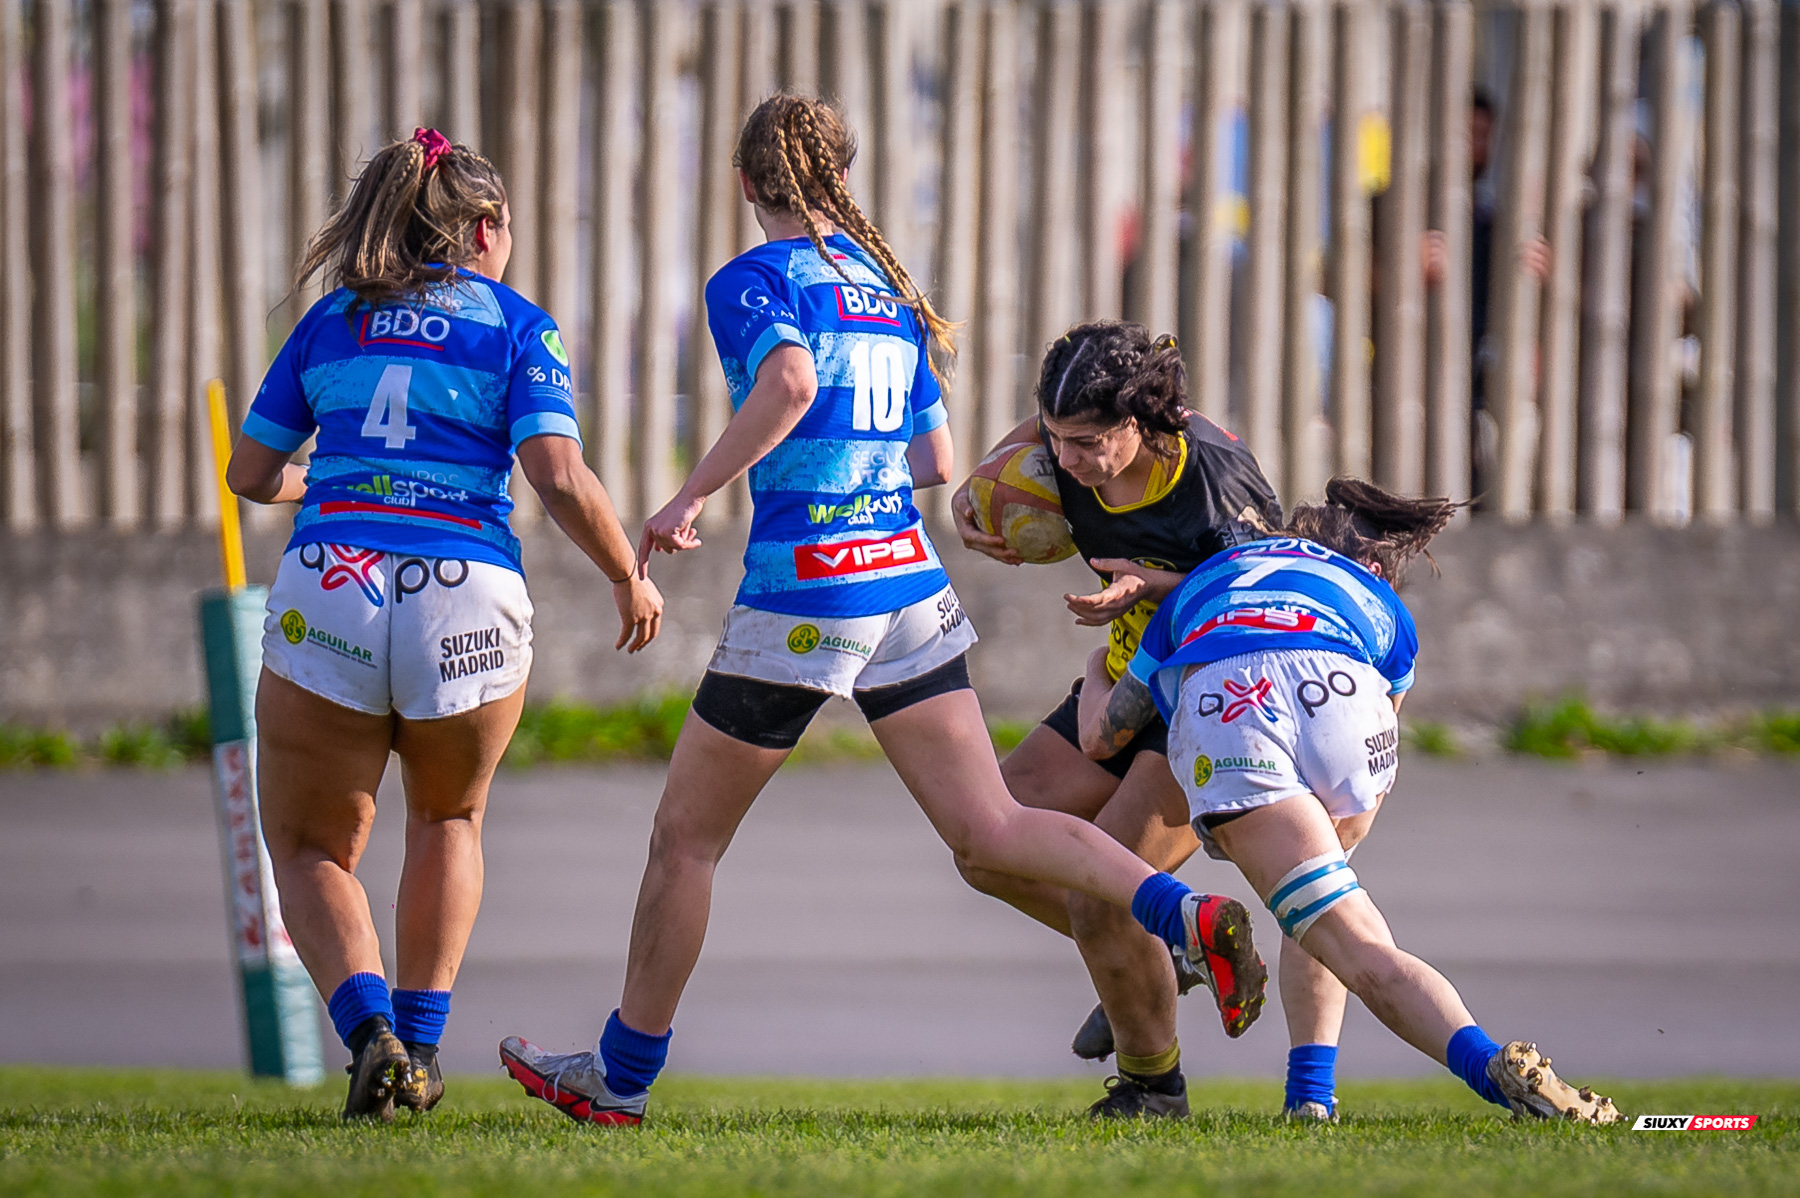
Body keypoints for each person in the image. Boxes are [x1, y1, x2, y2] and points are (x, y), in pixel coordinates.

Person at [496, 95, 1261, 1125]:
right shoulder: (888, 290)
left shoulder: (755, 280)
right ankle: (1182, 912)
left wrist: (689, 496)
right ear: (839, 176)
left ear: (744, 183)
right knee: (991, 828)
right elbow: (937, 462)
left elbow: (792, 381)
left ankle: (619, 1082)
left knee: (686, 839)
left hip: (809, 586)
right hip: (907, 577)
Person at [226, 128, 663, 1121]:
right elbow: (555, 474)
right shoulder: (516, 326)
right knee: (448, 819)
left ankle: (367, 1030)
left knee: (310, 847)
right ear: (480, 227)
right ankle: (418, 1059)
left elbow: (249, 475)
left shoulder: (330, 322)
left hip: (333, 579)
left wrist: (323, 484)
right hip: (465, 590)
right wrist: (625, 575)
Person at [1078, 477, 1623, 1124]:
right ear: (1373, 565)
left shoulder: (1211, 578)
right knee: (1335, 909)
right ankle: (1311, 1098)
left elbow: (1101, 736)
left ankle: (1494, 1069)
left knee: (1343, 933)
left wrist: (1094, 672)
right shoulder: (1383, 605)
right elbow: (1380, 719)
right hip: (1346, 701)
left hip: (1232, 702)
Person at [948, 320, 1282, 1118]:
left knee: (1103, 902)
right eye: (1056, 438)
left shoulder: (1214, 478)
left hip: (1209, 697)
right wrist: (981, 489)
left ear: (1142, 419)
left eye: (1089, 442)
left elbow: (1268, 598)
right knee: (986, 841)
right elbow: (1035, 437)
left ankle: (1153, 1090)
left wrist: (1155, 589)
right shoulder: (1066, 445)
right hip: (1125, 676)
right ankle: (1169, 947)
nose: (1067, 462)